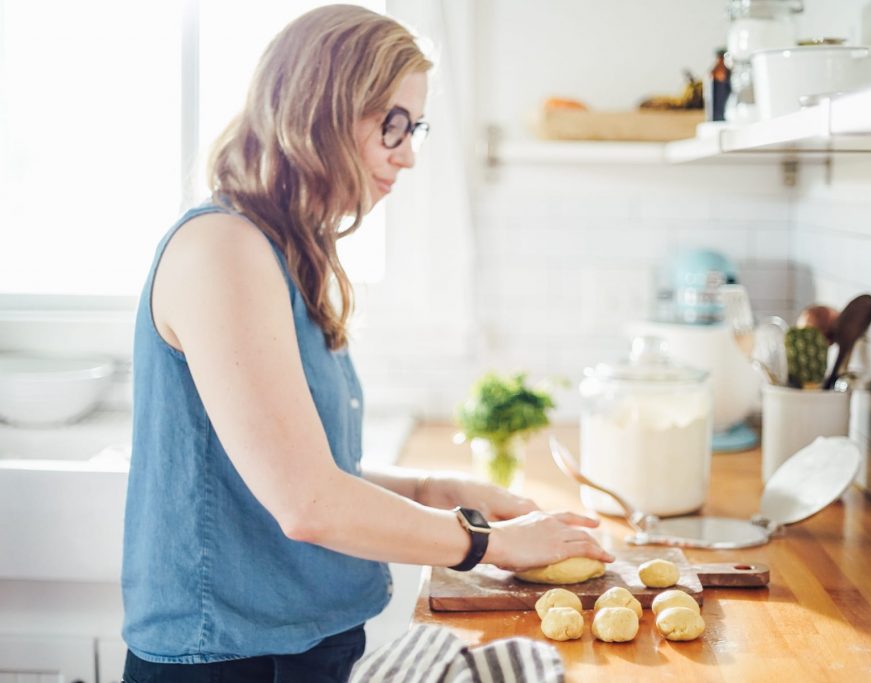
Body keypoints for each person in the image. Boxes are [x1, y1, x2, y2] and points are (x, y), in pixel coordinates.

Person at [120, 4, 613, 682]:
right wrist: (493, 544)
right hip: (230, 658)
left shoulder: (285, 252)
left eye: (415, 128)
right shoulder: (220, 250)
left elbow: (288, 465)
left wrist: (432, 486)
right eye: (393, 126)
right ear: (321, 109)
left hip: (295, 647)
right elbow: (307, 501)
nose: (408, 154)